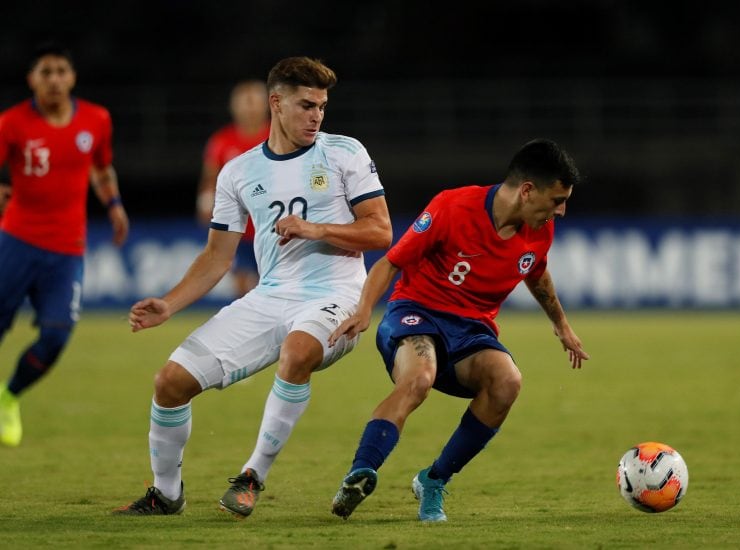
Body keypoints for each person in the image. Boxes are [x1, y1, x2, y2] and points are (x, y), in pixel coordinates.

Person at [113, 56, 392, 516]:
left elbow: (380, 231)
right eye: (306, 105)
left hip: (337, 296)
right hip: (270, 297)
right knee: (170, 382)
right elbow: (217, 256)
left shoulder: (345, 152)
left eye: (321, 106)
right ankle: (166, 495)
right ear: (276, 103)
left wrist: (316, 229)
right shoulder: (238, 172)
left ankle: (252, 476)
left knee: (298, 352)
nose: (316, 116)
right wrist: (170, 303)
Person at [329, 138, 589, 522]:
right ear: (527, 190)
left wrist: (562, 327)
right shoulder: (453, 207)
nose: (561, 211)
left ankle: (433, 480)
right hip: (416, 313)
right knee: (419, 377)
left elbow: (536, 272)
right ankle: (360, 473)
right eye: (556, 200)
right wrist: (365, 309)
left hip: (471, 331)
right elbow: (390, 262)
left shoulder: (539, 230)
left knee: (507, 382)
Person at [0, 42, 129, 448]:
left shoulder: (96, 119)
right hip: (16, 240)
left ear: (71, 77)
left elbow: (101, 168)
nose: (54, 79)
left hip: (67, 249)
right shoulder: (11, 123)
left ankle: (8, 397)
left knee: (56, 337)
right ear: (32, 79)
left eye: (61, 71)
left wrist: (114, 205)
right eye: (46, 72)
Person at [197, 80, 270, 297]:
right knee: (240, 285)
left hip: (271, 225)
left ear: (266, 105)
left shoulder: (279, 135)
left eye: (254, 103)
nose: (249, 109)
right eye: (244, 103)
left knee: (272, 284)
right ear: (234, 106)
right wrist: (204, 203)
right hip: (237, 227)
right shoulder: (221, 141)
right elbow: (210, 178)